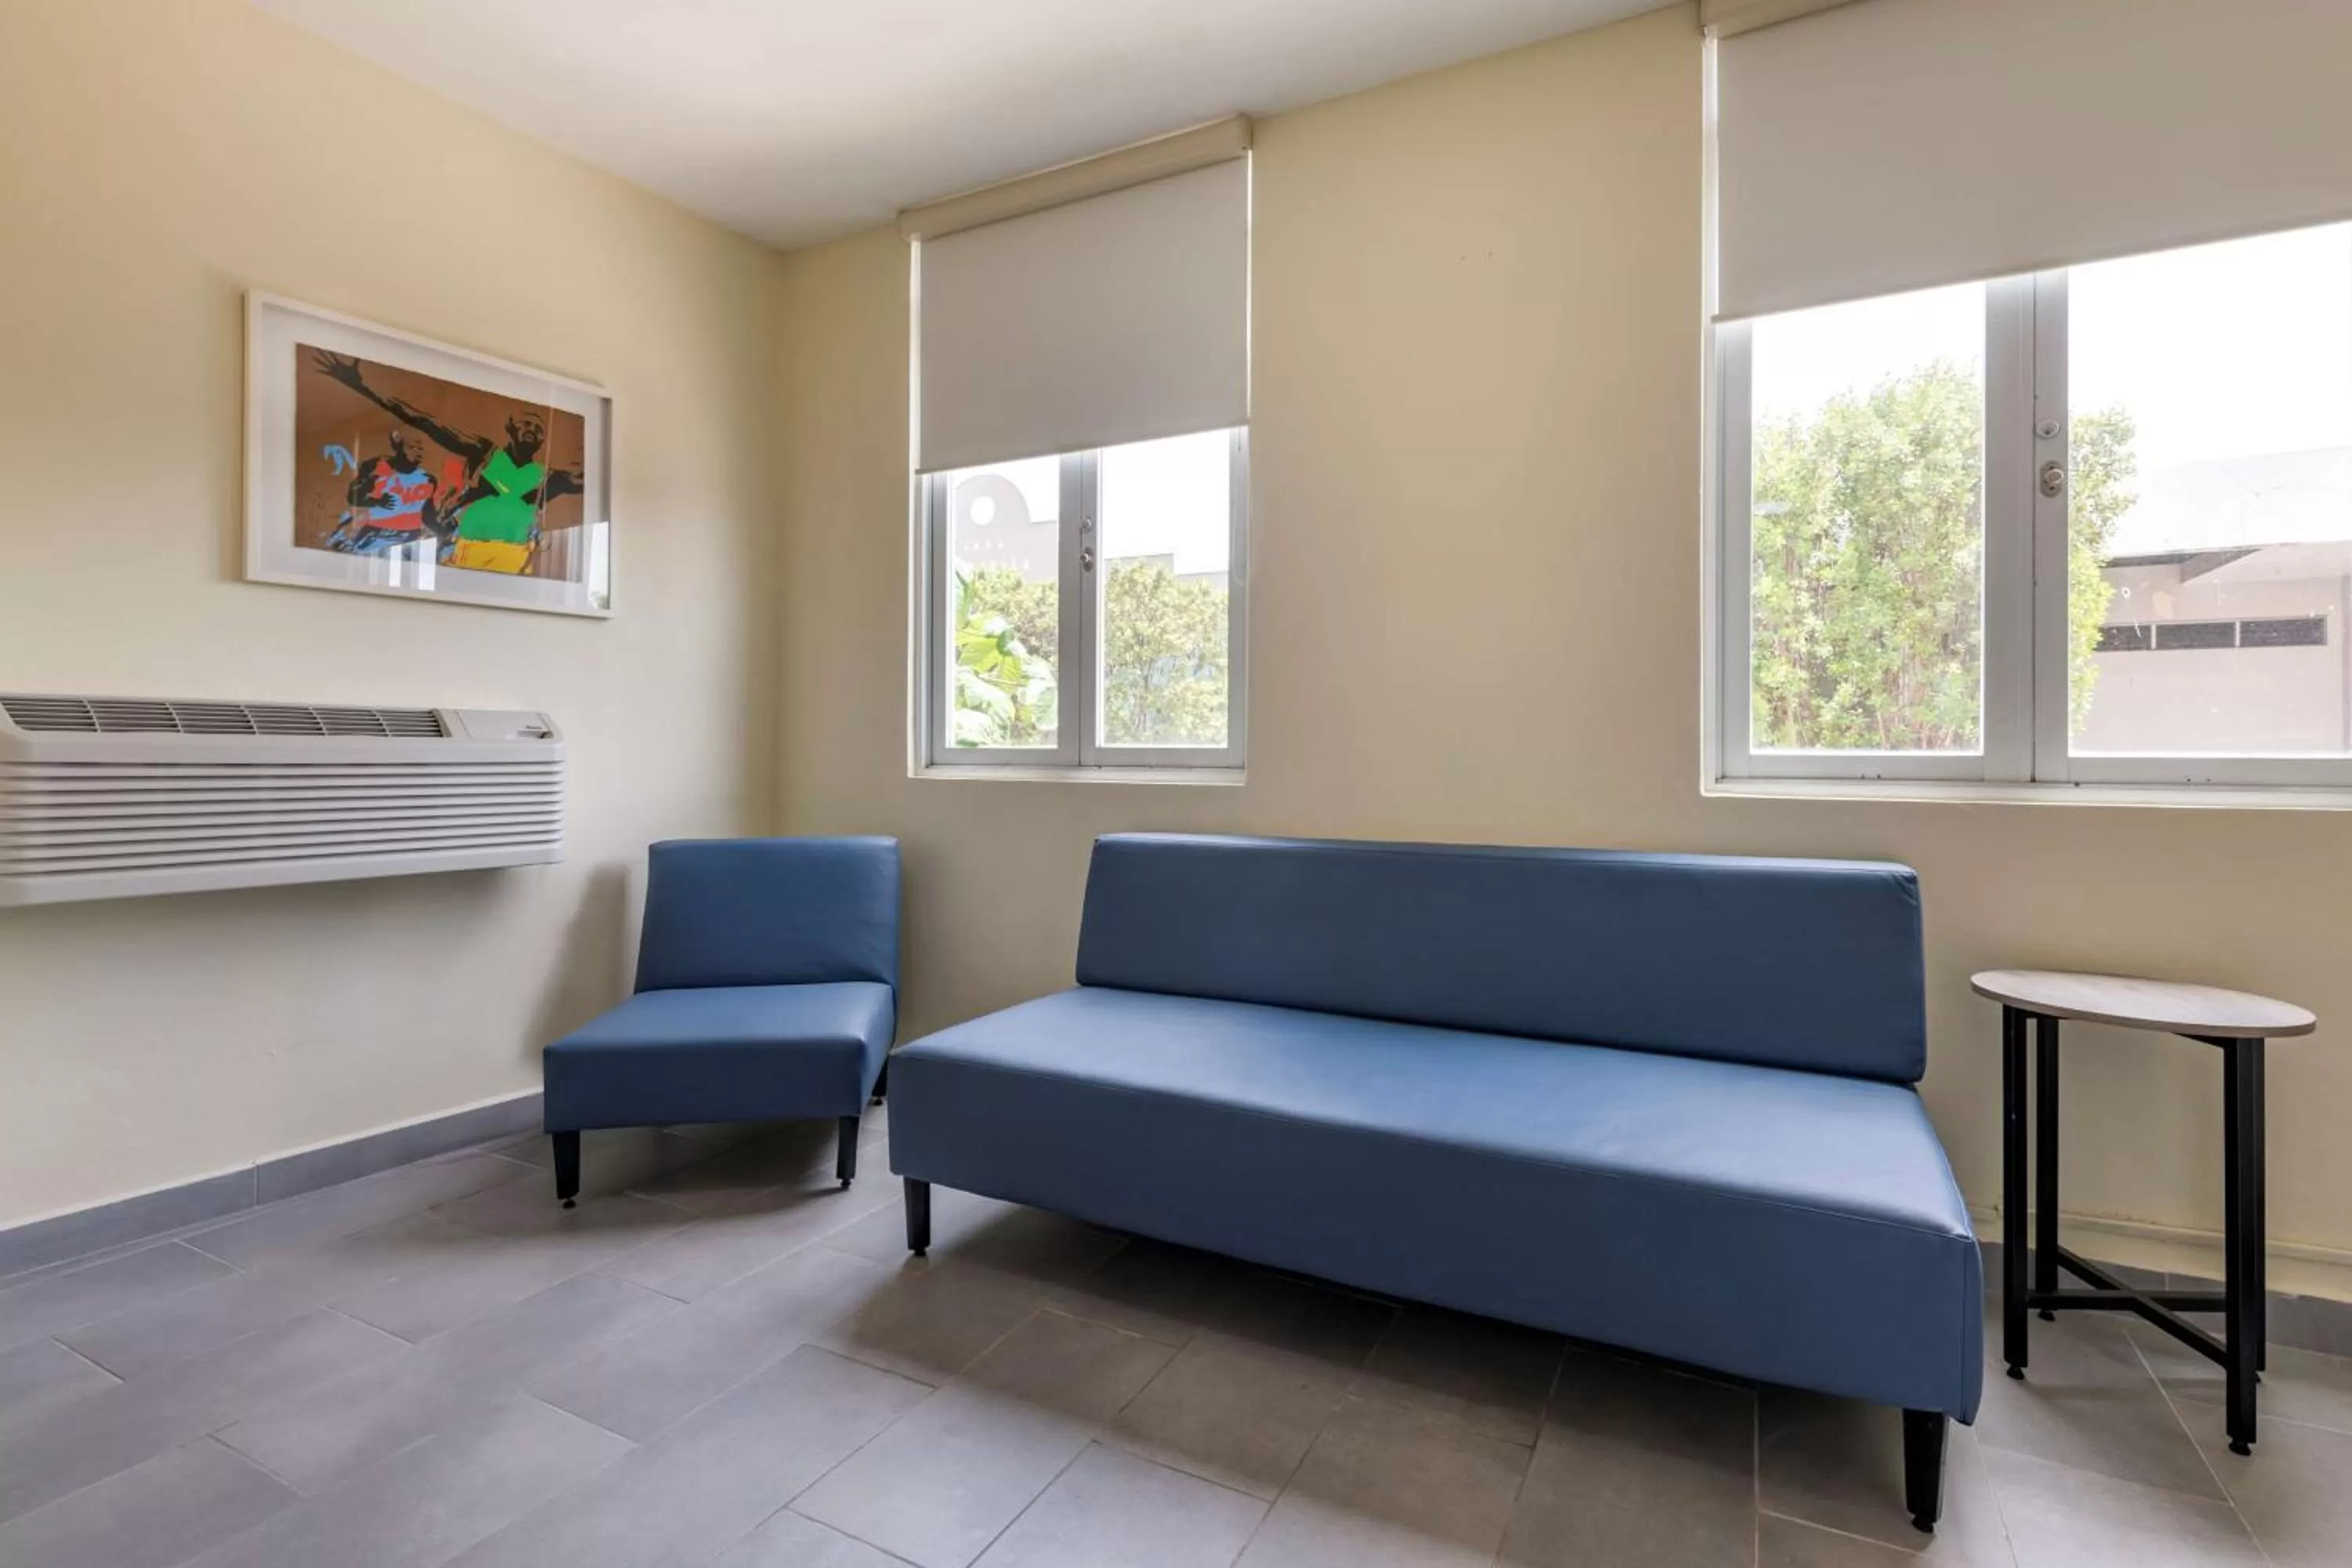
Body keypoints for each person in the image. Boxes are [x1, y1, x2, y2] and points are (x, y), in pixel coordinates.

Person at [311, 350, 582, 575]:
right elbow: (423, 421)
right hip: (464, 556)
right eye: (525, 424)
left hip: (513, 563)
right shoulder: (485, 453)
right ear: (510, 428)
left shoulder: (549, 477)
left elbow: (591, 481)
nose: (531, 430)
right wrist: (361, 386)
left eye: (538, 429)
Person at [322, 429, 441, 555]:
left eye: (420, 449)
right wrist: (377, 501)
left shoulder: (428, 479)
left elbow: (428, 514)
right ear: (398, 445)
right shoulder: (378, 468)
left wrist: (442, 534)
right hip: (375, 532)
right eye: (411, 447)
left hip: (410, 536)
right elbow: (353, 497)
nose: (417, 452)